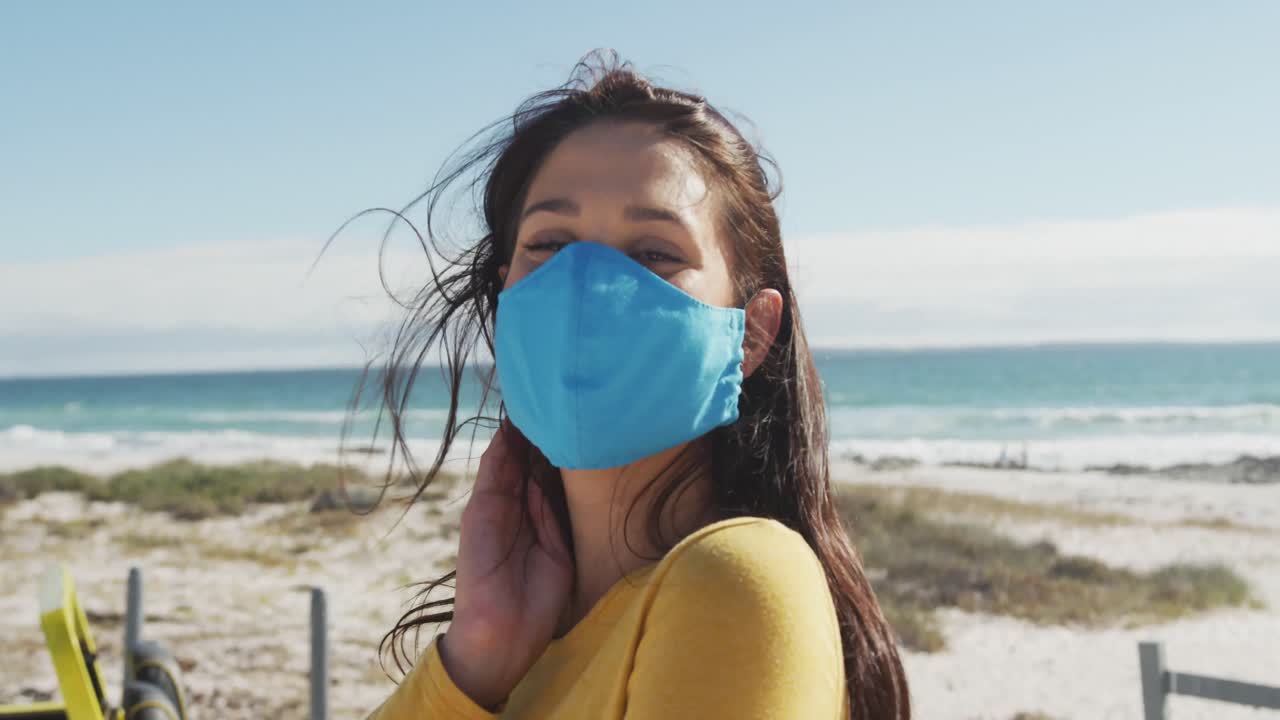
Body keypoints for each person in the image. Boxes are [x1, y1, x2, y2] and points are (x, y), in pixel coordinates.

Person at [351, 49, 910, 719]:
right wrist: (476, 656)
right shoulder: (512, 650)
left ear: (752, 333)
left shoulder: (737, 578)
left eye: (653, 254)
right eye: (550, 246)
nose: (587, 289)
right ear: (507, 300)